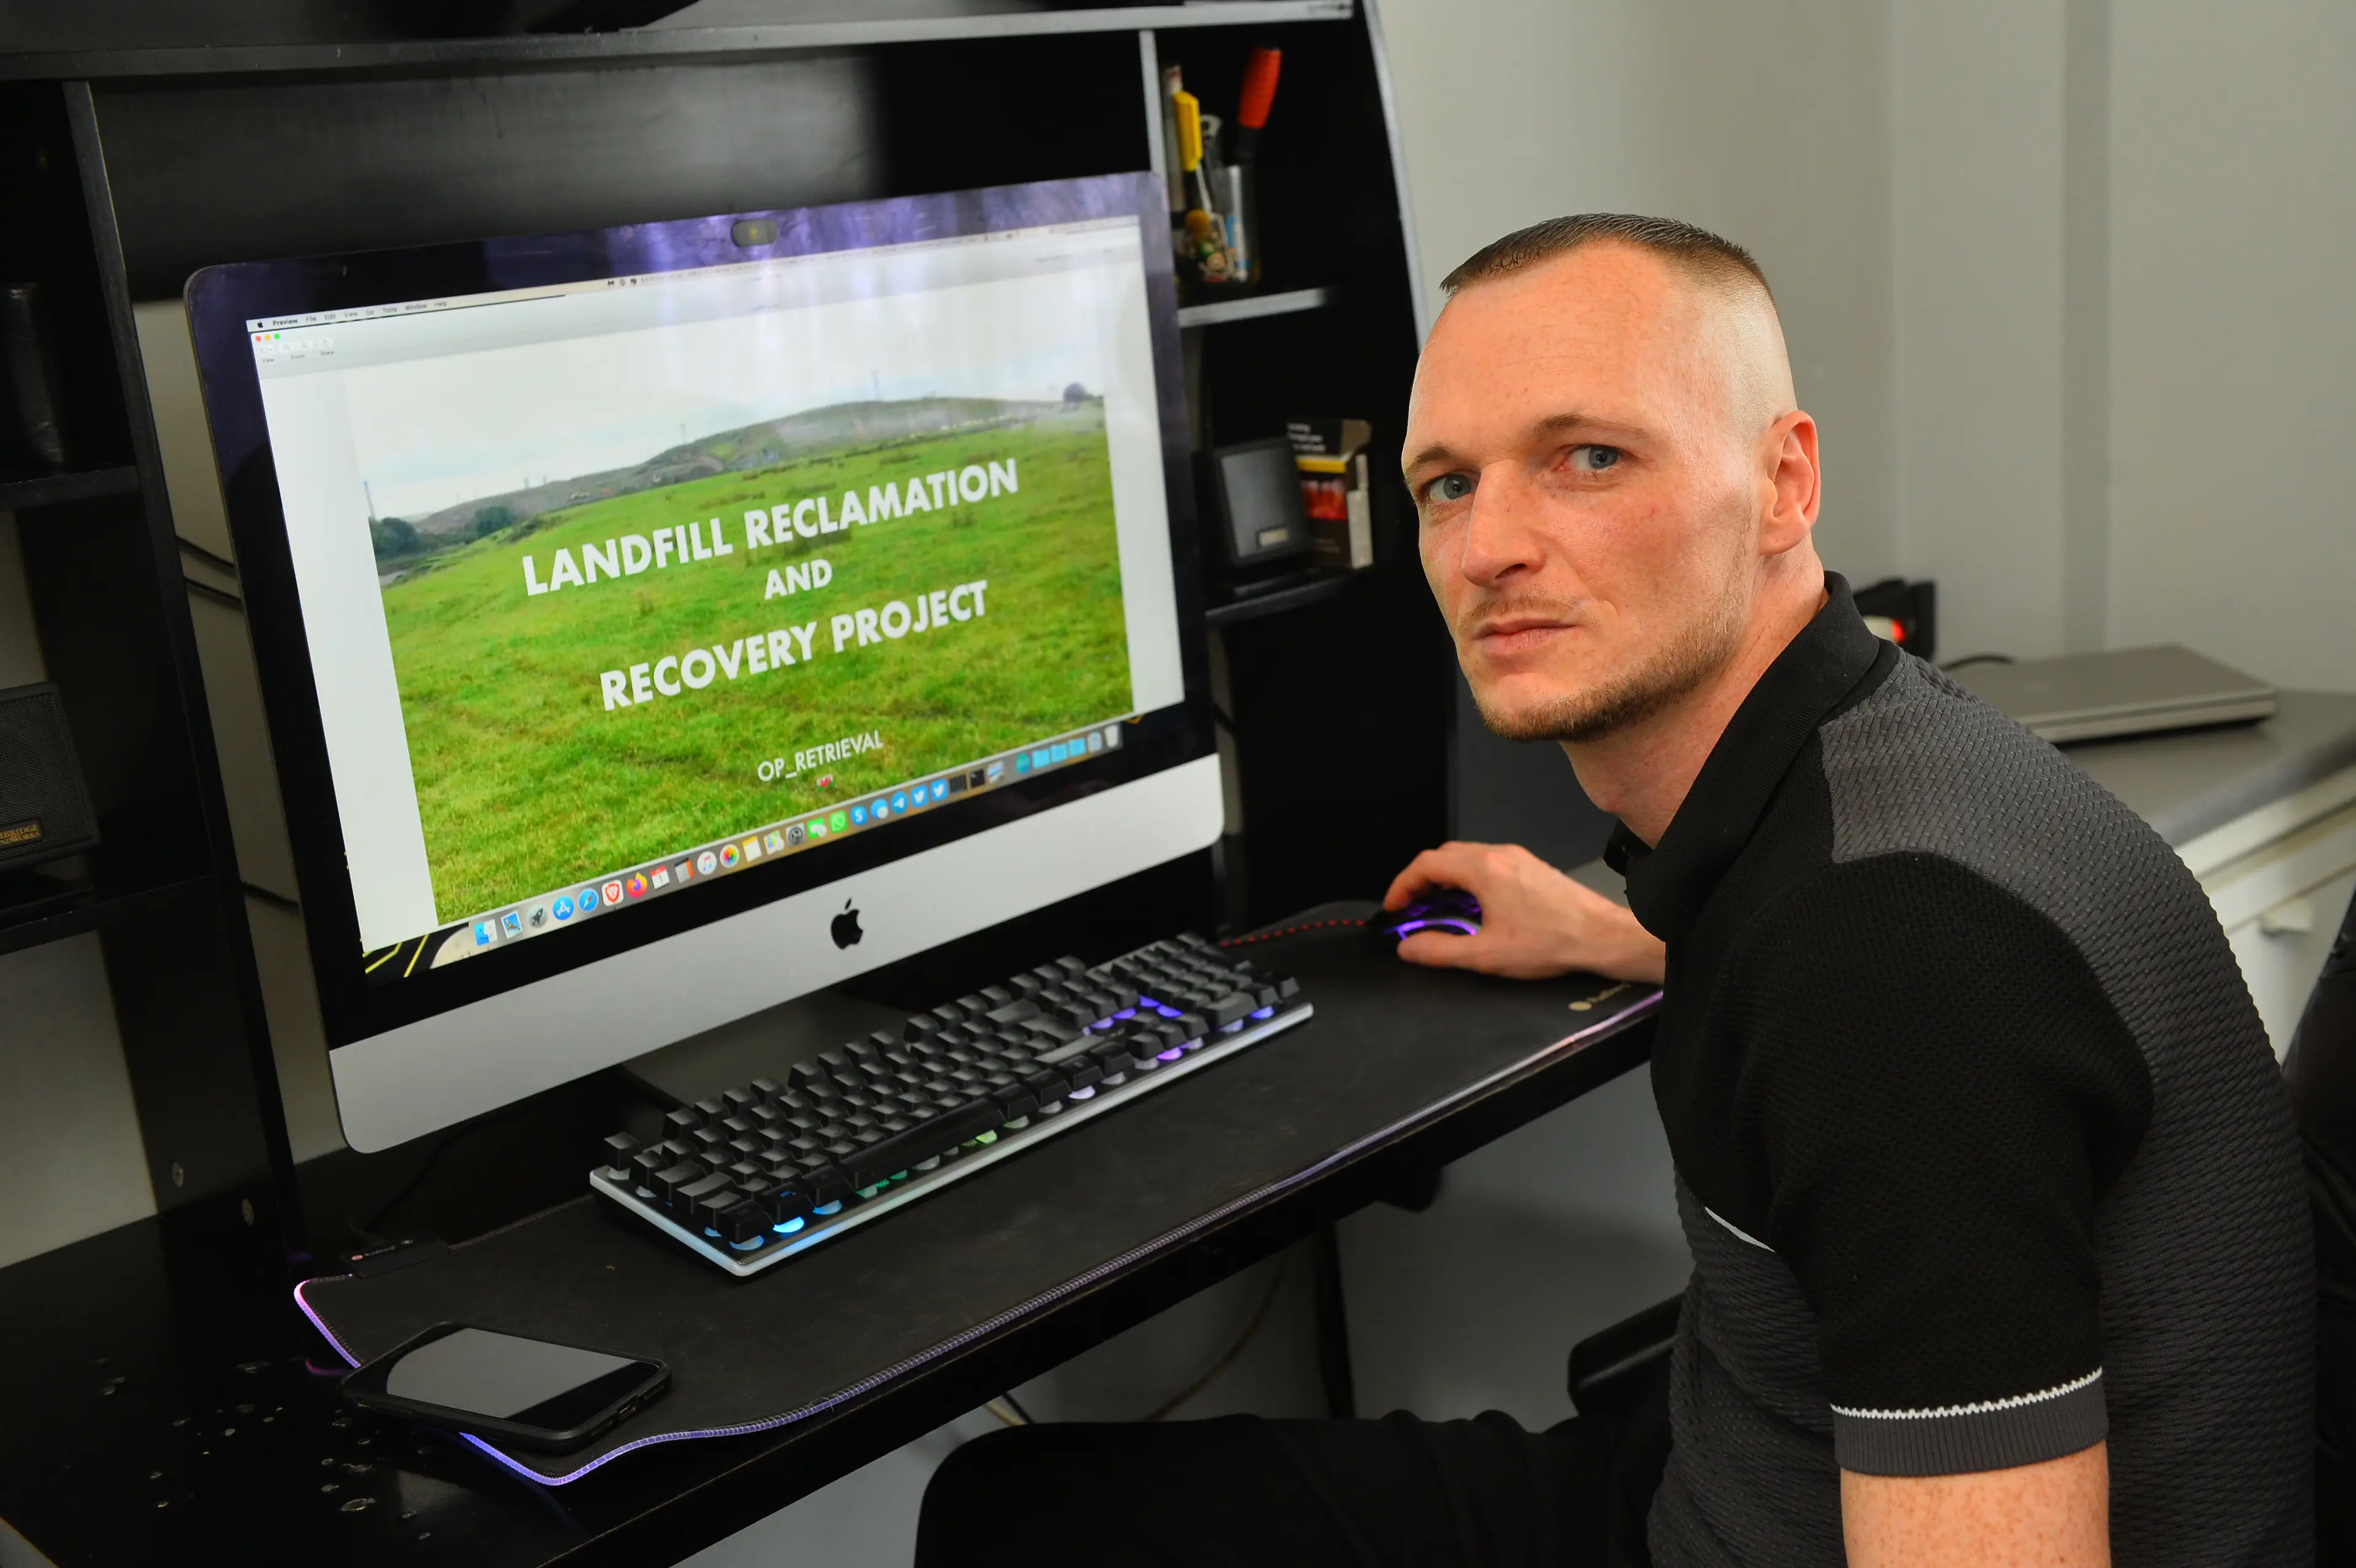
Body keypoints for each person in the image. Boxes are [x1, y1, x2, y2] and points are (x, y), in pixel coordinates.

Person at [915, 215, 2313, 1566]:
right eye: (1448, 483)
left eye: (1587, 456)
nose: (1488, 547)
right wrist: (1623, 935)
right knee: (1017, 1503)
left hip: (1726, 1522)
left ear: (1783, 484)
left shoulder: (1889, 971)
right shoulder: (1871, 783)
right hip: (1730, 1468)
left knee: (1019, 1519)